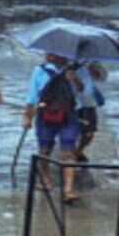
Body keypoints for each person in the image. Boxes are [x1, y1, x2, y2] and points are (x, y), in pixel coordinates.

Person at [23, 54, 83, 203]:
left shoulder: (75, 70)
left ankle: (68, 189)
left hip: (68, 115)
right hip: (45, 114)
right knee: (45, 150)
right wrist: (27, 117)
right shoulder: (40, 70)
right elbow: (32, 96)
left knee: (68, 151)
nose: (49, 56)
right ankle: (45, 176)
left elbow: (82, 90)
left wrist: (74, 79)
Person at [73, 62, 106, 162]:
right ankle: (72, 151)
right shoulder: (70, 64)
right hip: (74, 103)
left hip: (89, 104)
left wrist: (93, 71)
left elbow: (102, 78)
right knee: (72, 130)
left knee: (89, 133)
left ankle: (78, 151)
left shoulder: (92, 62)